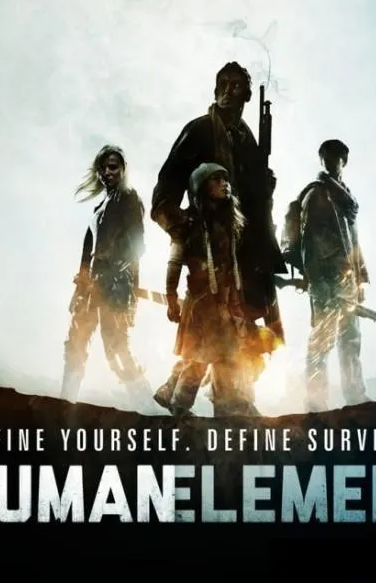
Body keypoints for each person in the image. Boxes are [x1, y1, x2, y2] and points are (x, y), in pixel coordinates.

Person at [151, 62, 286, 411]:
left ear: (247, 95)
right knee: (218, 339)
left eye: (236, 86)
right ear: (215, 90)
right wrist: (190, 234)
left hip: (246, 257)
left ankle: (215, 399)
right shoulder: (198, 131)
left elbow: (254, 204)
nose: (228, 91)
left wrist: (265, 190)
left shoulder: (247, 139)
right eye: (222, 84)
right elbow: (163, 199)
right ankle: (230, 406)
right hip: (212, 259)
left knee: (243, 338)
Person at [155, 162, 260, 419]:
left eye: (226, 179)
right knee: (199, 358)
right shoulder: (189, 224)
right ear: (202, 188)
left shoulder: (228, 224)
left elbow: (231, 267)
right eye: (216, 179)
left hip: (224, 303)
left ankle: (226, 405)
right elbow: (175, 262)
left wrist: (236, 306)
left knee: (224, 357)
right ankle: (179, 405)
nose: (225, 184)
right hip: (202, 305)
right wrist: (171, 299)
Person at [60, 145, 145, 402]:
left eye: (113, 166)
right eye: (104, 168)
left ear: (123, 169)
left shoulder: (128, 198)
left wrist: (117, 276)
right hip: (90, 288)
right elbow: (87, 256)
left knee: (117, 349)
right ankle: (65, 401)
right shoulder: (98, 209)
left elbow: (137, 246)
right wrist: (80, 288)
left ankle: (145, 405)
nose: (108, 172)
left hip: (114, 286)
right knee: (76, 343)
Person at [291, 139, 370, 411]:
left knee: (351, 339)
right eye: (326, 155)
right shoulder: (316, 193)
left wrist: (360, 280)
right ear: (321, 159)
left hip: (346, 280)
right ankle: (316, 403)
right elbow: (307, 242)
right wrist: (317, 281)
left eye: (335, 156)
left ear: (343, 160)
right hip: (325, 279)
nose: (331, 160)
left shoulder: (345, 198)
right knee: (322, 341)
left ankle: (356, 396)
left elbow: (354, 242)